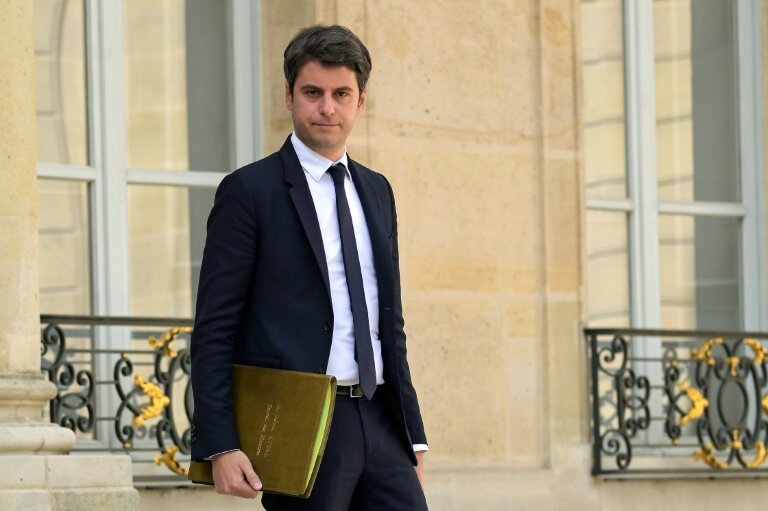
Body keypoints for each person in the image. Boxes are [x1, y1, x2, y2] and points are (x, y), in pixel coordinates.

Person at [190, 24, 429, 511]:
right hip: (303, 425)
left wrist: (413, 435)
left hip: (381, 421)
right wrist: (221, 442)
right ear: (288, 96)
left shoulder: (377, 191)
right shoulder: (249, 192)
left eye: (342, 94)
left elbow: (390, 320)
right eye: (313, 93)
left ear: (360, 100)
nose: (327, 108)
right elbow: (214, 326)